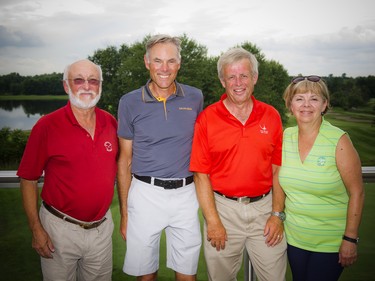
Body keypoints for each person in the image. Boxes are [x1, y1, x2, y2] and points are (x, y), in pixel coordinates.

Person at [189, 47, 287, 281]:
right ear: (223, 81)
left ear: (254, 78)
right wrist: (213, 221)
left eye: (244, 75)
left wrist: (277, 214)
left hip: (264, 209)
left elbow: (277, 171)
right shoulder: (207, 118)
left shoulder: (271, 115)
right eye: (231, 77)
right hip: (223, 210)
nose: (238, 82)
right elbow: (201, 175)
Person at [17, 59, 118, 281]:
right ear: (66, 86)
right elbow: (28, 179)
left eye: (93, 80)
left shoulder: (110, 122)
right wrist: (36, 229)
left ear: (100, 85)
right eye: (78, 80)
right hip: (59, 230)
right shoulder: (46, 126)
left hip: (101, 230)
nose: (86, 86)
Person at [117, 34, 203, 281]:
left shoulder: (195, 97)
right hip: (145, 194)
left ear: (179, 63)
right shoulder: (129, 102)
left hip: (186, 195)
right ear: (146, 62)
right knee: (146, 274)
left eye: (171, 61)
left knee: (187, 273)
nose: (164, 69)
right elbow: (124, 161)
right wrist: (125, 213)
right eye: (157, 61)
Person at [278, 75, 365, 281]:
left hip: (330, 242)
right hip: (295, 240)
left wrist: (350, 239)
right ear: (290, 104)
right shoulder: (285, 137)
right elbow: (277, 180)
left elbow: (357, 192)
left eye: (314, 99)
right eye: (299, 99)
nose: (306, 105)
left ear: (324, 104)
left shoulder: (339, 140)